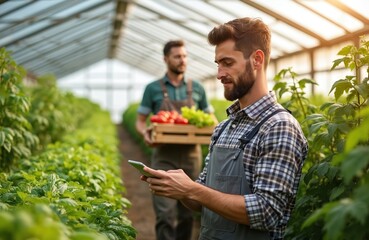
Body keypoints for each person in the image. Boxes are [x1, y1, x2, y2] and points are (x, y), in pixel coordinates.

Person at [140, 17, 308, 240]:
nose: (219, 74)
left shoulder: (278, 127)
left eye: (227, 63)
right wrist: (179, 187)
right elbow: (203, 198)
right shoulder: (224, 128)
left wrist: (192, 190)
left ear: (257, 59)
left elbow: (267, 211)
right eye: (218, 64)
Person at [135, 39, 215, 240]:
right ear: (166, 59)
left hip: (191, 157)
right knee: (165, 214)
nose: (182, 60)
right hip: (163, 156)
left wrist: (213, 128)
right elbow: (140, 121)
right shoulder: (153, 88)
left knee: (188, 213)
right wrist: (145, 132)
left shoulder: (197, 88)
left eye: (185, 56)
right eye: (177, 56)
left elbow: (211, 118)